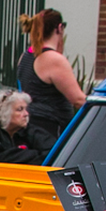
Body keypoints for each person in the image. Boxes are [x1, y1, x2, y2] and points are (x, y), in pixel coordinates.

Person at [16, 9, 87, 143]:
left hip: (30, 127)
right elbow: (78, 99)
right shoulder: (53, 60)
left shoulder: (25, 56)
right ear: (59, 28)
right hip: (51, 130)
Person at [0, 89, 52, 164]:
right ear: (4, 112)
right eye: (20, 109)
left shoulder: (24, 131)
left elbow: (51, 150)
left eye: (26, 109)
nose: (26, 114)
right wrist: (35, 154)